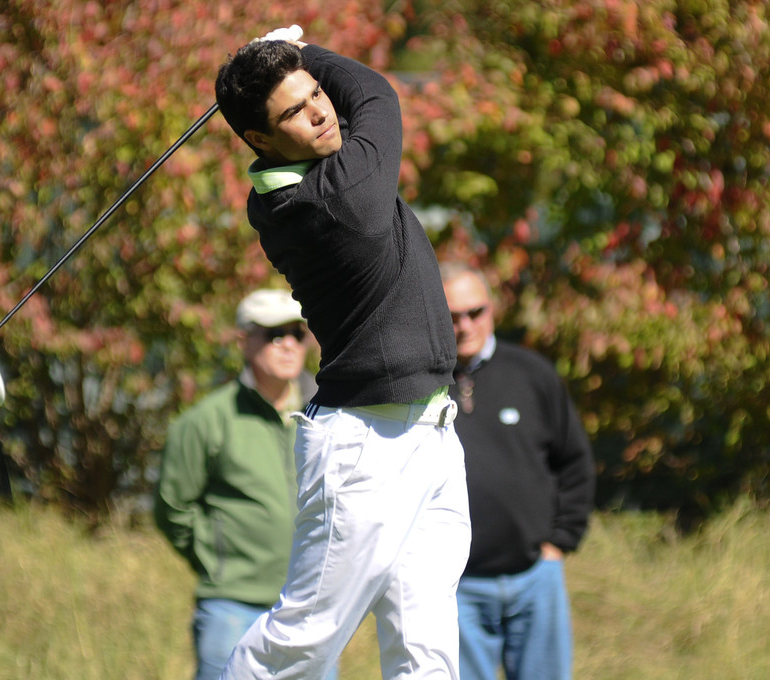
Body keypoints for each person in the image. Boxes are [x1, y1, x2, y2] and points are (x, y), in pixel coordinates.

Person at [212, 25, 471, 680]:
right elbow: (378, 96)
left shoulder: (305, 179)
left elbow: (354, 103)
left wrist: (298, 67)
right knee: (302, 643)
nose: (319, 111)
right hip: (366, 448)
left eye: (315, 94)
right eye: (293, 112)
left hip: (432, 435)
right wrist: (309, 53)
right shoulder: (334, 199)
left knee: (427, 650)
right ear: (260, 140)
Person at [154, 288, 335, 680]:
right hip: (232, 608)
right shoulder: (206, 421)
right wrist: (217, 560)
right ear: (243, 340)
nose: (288, 344)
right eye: (273, 334)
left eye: (297, 333)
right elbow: (172, 507)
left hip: (312, 609)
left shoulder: (330, 418)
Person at [439, 261, 596, 680]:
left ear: (493, 310)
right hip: (455, 588)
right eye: (452, 316)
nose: (465, 325)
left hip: (534, 578)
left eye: (476, 312)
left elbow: (575, 461)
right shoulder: (418, 385)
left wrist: (558, 543)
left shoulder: (533, 374)